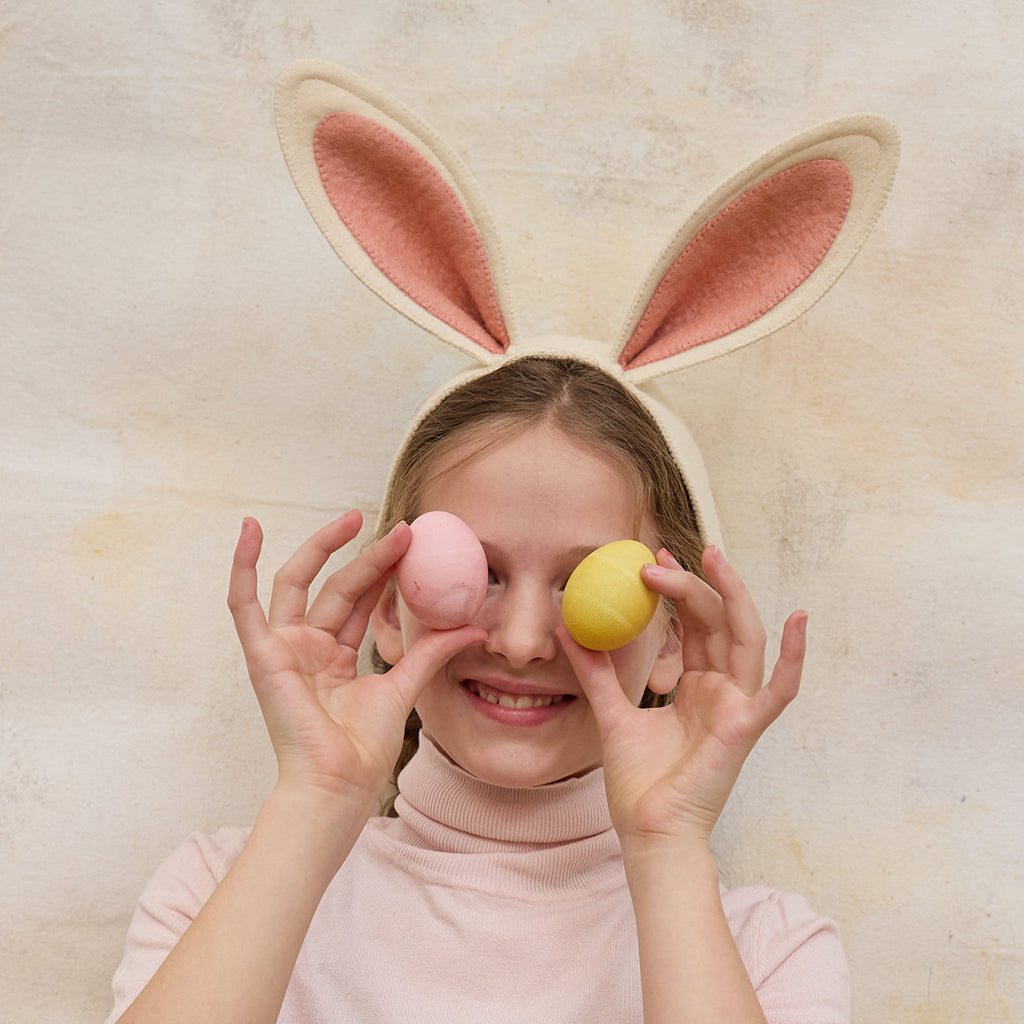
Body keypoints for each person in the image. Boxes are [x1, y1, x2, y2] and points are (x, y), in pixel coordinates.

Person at [104, 355, 849, 1024]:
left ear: (674, 638)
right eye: (478, 572)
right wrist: (317, 798)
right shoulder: (222, 889)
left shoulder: (766, 954)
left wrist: (667, 842)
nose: (522, 641)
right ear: (391, 610)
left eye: (583, 585)